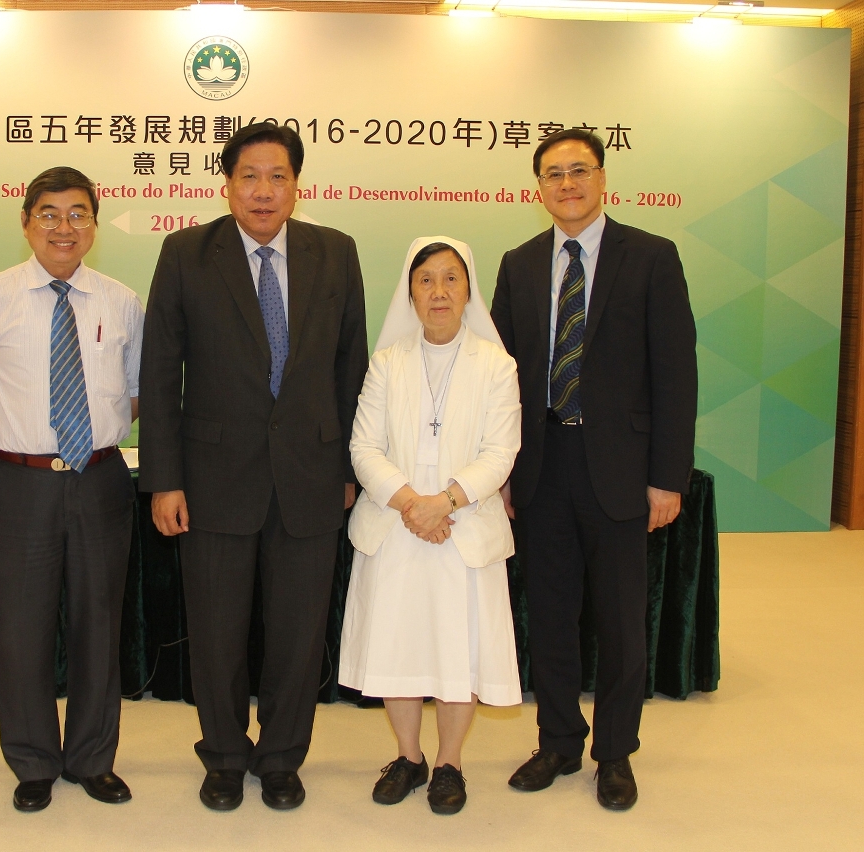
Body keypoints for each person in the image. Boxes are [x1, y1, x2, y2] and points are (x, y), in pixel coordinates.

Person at [140, 123, 369, 811]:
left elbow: (351, 367)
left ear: (297, 185)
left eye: (276, 176)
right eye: (249, 176)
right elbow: (159, 373)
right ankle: (222, 756)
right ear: (226, 183)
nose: (263, 191)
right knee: (215, 631)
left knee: (298, 633)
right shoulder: (185, 252)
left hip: (312, 474)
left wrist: (353, 465)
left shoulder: (335, 253)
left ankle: (280, 758)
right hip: (212, 479)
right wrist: (163, 478)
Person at [490, 128, 697, 810]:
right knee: (548, 615)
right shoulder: (517, 264)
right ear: (537, 189)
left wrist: (667, 476)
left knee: (618, 619)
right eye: (553, 174)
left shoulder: (650, 257)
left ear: (602, 178)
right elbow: (500, 378)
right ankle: (555, 741)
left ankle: (614, 752)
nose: (567, 183)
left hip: (620, 468)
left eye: (579, 170)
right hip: (543, 464)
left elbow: (675, 374)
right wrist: (501, 473)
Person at [0, 166, 143, 813]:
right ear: (26, 221)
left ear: (95, 223)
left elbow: (136, 394)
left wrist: (91, 440)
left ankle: (91, 759)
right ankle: (31, 761)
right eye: (49, 214)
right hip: (19, 484)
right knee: (20, 628)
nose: (64, 227)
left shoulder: (121, 301)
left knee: (98, 623)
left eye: (78, 213)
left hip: (101, 481)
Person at [341, 237, 522, 814]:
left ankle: (449, 763)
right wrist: (410, 503)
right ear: (410, 292)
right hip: (395, 525)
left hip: (463, 527)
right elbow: (363, 446)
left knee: (457, 650)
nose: (438, 291)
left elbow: (502, 451)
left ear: (468, 290)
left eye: (451, 278)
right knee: (397, 644)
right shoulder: (387, 363)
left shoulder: (497, 366)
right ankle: (407, 756)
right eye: (426, 280)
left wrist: (442, 502)